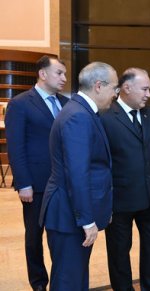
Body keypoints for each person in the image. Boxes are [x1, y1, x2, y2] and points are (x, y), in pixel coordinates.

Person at [39, 62, 118, 291]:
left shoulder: (81, 111)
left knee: (75, 277)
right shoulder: (79, 116)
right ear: (99, 86)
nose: (115, 94)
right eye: (114, 88)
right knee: (68, 281)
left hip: (70, 212)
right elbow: (77, 173)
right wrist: (87, 220)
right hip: (69, 214)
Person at [100, 68, 150, 291]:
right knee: (119, 252)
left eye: (149, 89)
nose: (148, 94)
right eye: (144, 88)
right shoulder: (105, 116)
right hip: (119, 201)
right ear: (126, 88)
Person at [5, 55, 68, 291]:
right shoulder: (20, 103)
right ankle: (39, 283)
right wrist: (23, 183)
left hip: (64, 182)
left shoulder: (65, 102)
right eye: (59, 73)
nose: (64, 78)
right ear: (43, 74)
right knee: (34, 236)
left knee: (60, 233)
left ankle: (61, 280)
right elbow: (16, 147)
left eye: (64, 73)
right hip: (36, 184)